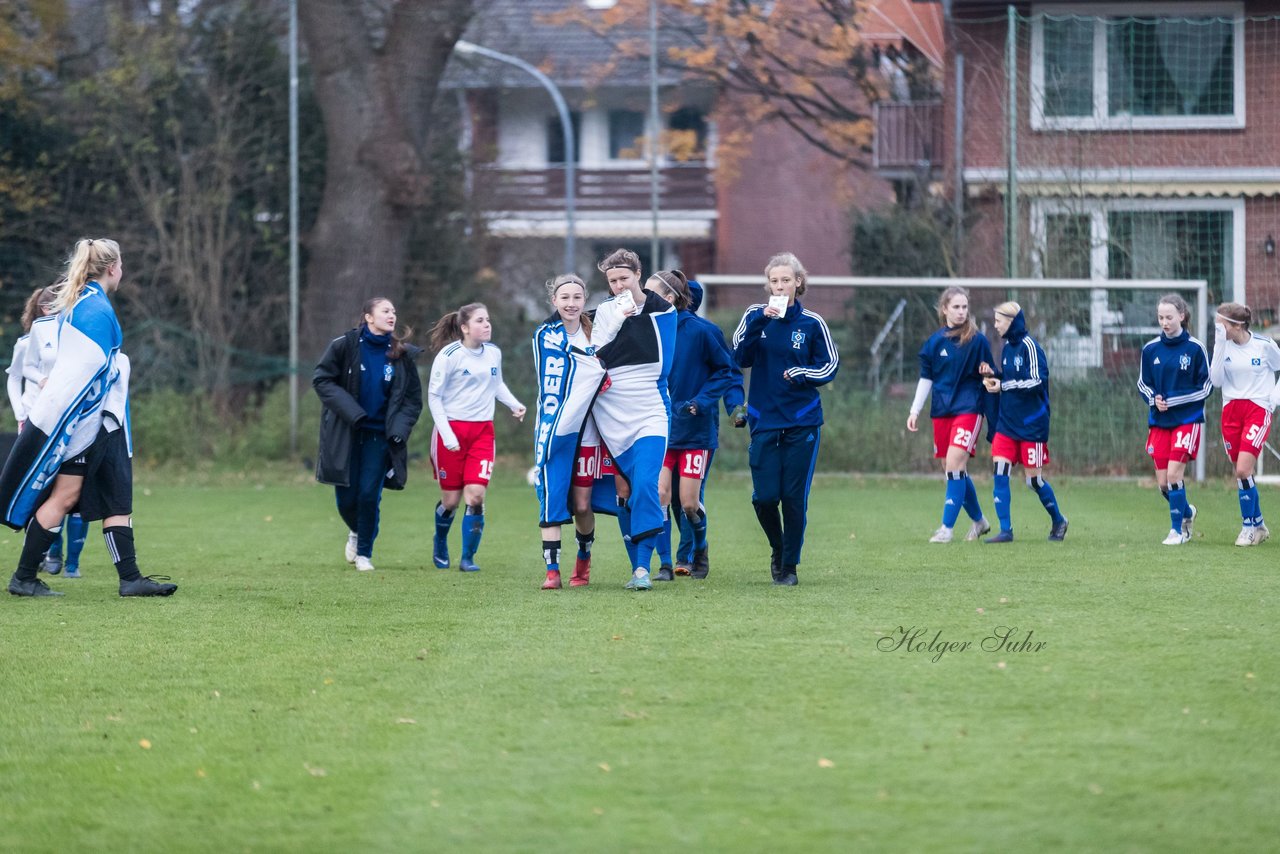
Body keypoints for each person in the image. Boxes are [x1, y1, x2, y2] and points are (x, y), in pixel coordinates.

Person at [0, 237, 176, 597]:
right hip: (92, 428)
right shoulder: (94, 310)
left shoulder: (85, 304)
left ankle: (125, 578)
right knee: (78, 497)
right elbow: (83, 376)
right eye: (122, 264)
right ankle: (28, 577)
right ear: (113, 268)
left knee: (98, 497)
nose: (122, 270)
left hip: (96, 426)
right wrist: (68, 432)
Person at [731, 252, 839, 586]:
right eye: (774, 281)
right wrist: (761, 322)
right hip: (763, 419)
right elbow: (739, 356)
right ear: (768, 284)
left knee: (793, 498)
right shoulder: (753, 315)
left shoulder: (812, 323)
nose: (780, 286)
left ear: (798, 283)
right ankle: (778, 549)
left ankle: (789, 566)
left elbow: (830, 366)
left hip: (802, 421)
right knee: (764, 498)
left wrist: (803, 373)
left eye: (786, 280)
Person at [313, 297, 423, 572]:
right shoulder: (344, 346)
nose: (392, 315)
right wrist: (353, 412)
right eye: (385, 311)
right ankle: (356, 531)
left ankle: (364, 554)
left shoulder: (401, 354)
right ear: (368, 317)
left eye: (394, 311)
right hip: (346, 433)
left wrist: (399, 430)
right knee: (347, 499)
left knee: (368, 495)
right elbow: (322, 380)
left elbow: (412, 400)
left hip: (379, 437)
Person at [591, 249, 678, 591]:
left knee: (647, 483)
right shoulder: (604, 312)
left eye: (624, 278)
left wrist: (630, 320)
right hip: (611, 411)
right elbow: (595, 350)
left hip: (650, 409)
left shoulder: (662, 310)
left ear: (638, 275)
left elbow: (663, 361)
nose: (618, 286)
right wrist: (616, 318)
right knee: (624, 489)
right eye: (612, 281)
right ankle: (638, 569)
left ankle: (645, 567)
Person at [427, 303, 526, 572]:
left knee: (476, 497)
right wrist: (447, 434)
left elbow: (497, 384)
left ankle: (468, 558)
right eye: (480, 321)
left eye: (488, 320)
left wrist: (514, 404)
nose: (487, 325)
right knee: (451, 502)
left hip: (482, 433)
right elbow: (434, 396)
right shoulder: (450, 356)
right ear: (464, 327)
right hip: (451, 432)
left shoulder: (493, 353)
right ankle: (440, 541)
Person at [654, 271, 738, 582]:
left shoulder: (703, 331)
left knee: (688, 502)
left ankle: (697, 550)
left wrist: (700, 402)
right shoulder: (650, 330)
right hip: (661, 429)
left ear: (670, 297)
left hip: (695, 430)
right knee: (661, 494)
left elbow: (727, 372)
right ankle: (666, 563)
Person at [532, 274, 608, 589]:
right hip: (556, 430)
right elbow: (577, 369)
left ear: (584, 300)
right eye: (565, 298)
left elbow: (605, 368)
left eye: (577, 298)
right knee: (551, 498)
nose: (571, 304)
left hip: (589, 430)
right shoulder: (545, 335)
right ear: (554, 301)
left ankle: (584, 558)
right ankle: (552, 573)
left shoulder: (597, 334)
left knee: (581, 504)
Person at [907, 286, 994, 544]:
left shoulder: (977, 340)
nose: (961, 311)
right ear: (944, 309)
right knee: (950, 468)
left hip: (969, 408)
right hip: (942, 410)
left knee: (955, 463)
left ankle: (946, 528)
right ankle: (979, 521)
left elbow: (991, 372)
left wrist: (988, 372)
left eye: (964, 307)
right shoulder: (934, 343)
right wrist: (914, 410)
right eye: (956, 307)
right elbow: (926, 379)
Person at [978, 302, 1068, 543]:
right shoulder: (1007, 348)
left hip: (1032, 425)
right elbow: (1008, 379)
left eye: (999, 321)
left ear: (1012, 320)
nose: (995, 325)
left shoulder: (1031, 348)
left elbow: (1037, 381)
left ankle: (1059, 520)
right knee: (999, 472)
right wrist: (992, 375)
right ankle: (1005, 531)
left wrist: (1004, 385)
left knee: (1033, 481)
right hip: (1007, 424)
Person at [22, 285, 92, 577]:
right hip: (48, 417)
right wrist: (40, 381)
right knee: (52, 490)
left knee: (76, 492)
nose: (50, 309)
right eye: (46, 306)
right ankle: (48, 554)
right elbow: (26, 368)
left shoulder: (85, 326)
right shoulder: (41, 329)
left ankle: (70, 563)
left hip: (80, 418)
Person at [1138, 293, 1212, 545]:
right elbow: (1143, 383)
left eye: (1169, 317)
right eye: (1160, 317)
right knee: (1163, 484)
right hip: (1159, 422)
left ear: (1182, 315)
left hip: (1187, 420)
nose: (1164, 322)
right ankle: (1187, 513)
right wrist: (1154, 400)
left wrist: (1174, 400)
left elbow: (1206, 387)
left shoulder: (1195, 348)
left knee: (1173, 477)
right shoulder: (1150, 349)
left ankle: (1177, 531)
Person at [1209, 302, 1280, 546]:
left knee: (1242, 470)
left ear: (1236, 325)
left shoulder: (1264, 345)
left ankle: (1248, 526)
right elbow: (1216, 381)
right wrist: (1218, 345)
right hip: (1231, 410)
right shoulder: (1223, 346)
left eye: (1221, 324)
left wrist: (1274, 399)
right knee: (1242, 472)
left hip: (1257, 409)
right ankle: (1259, 523)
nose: (1218, 328)